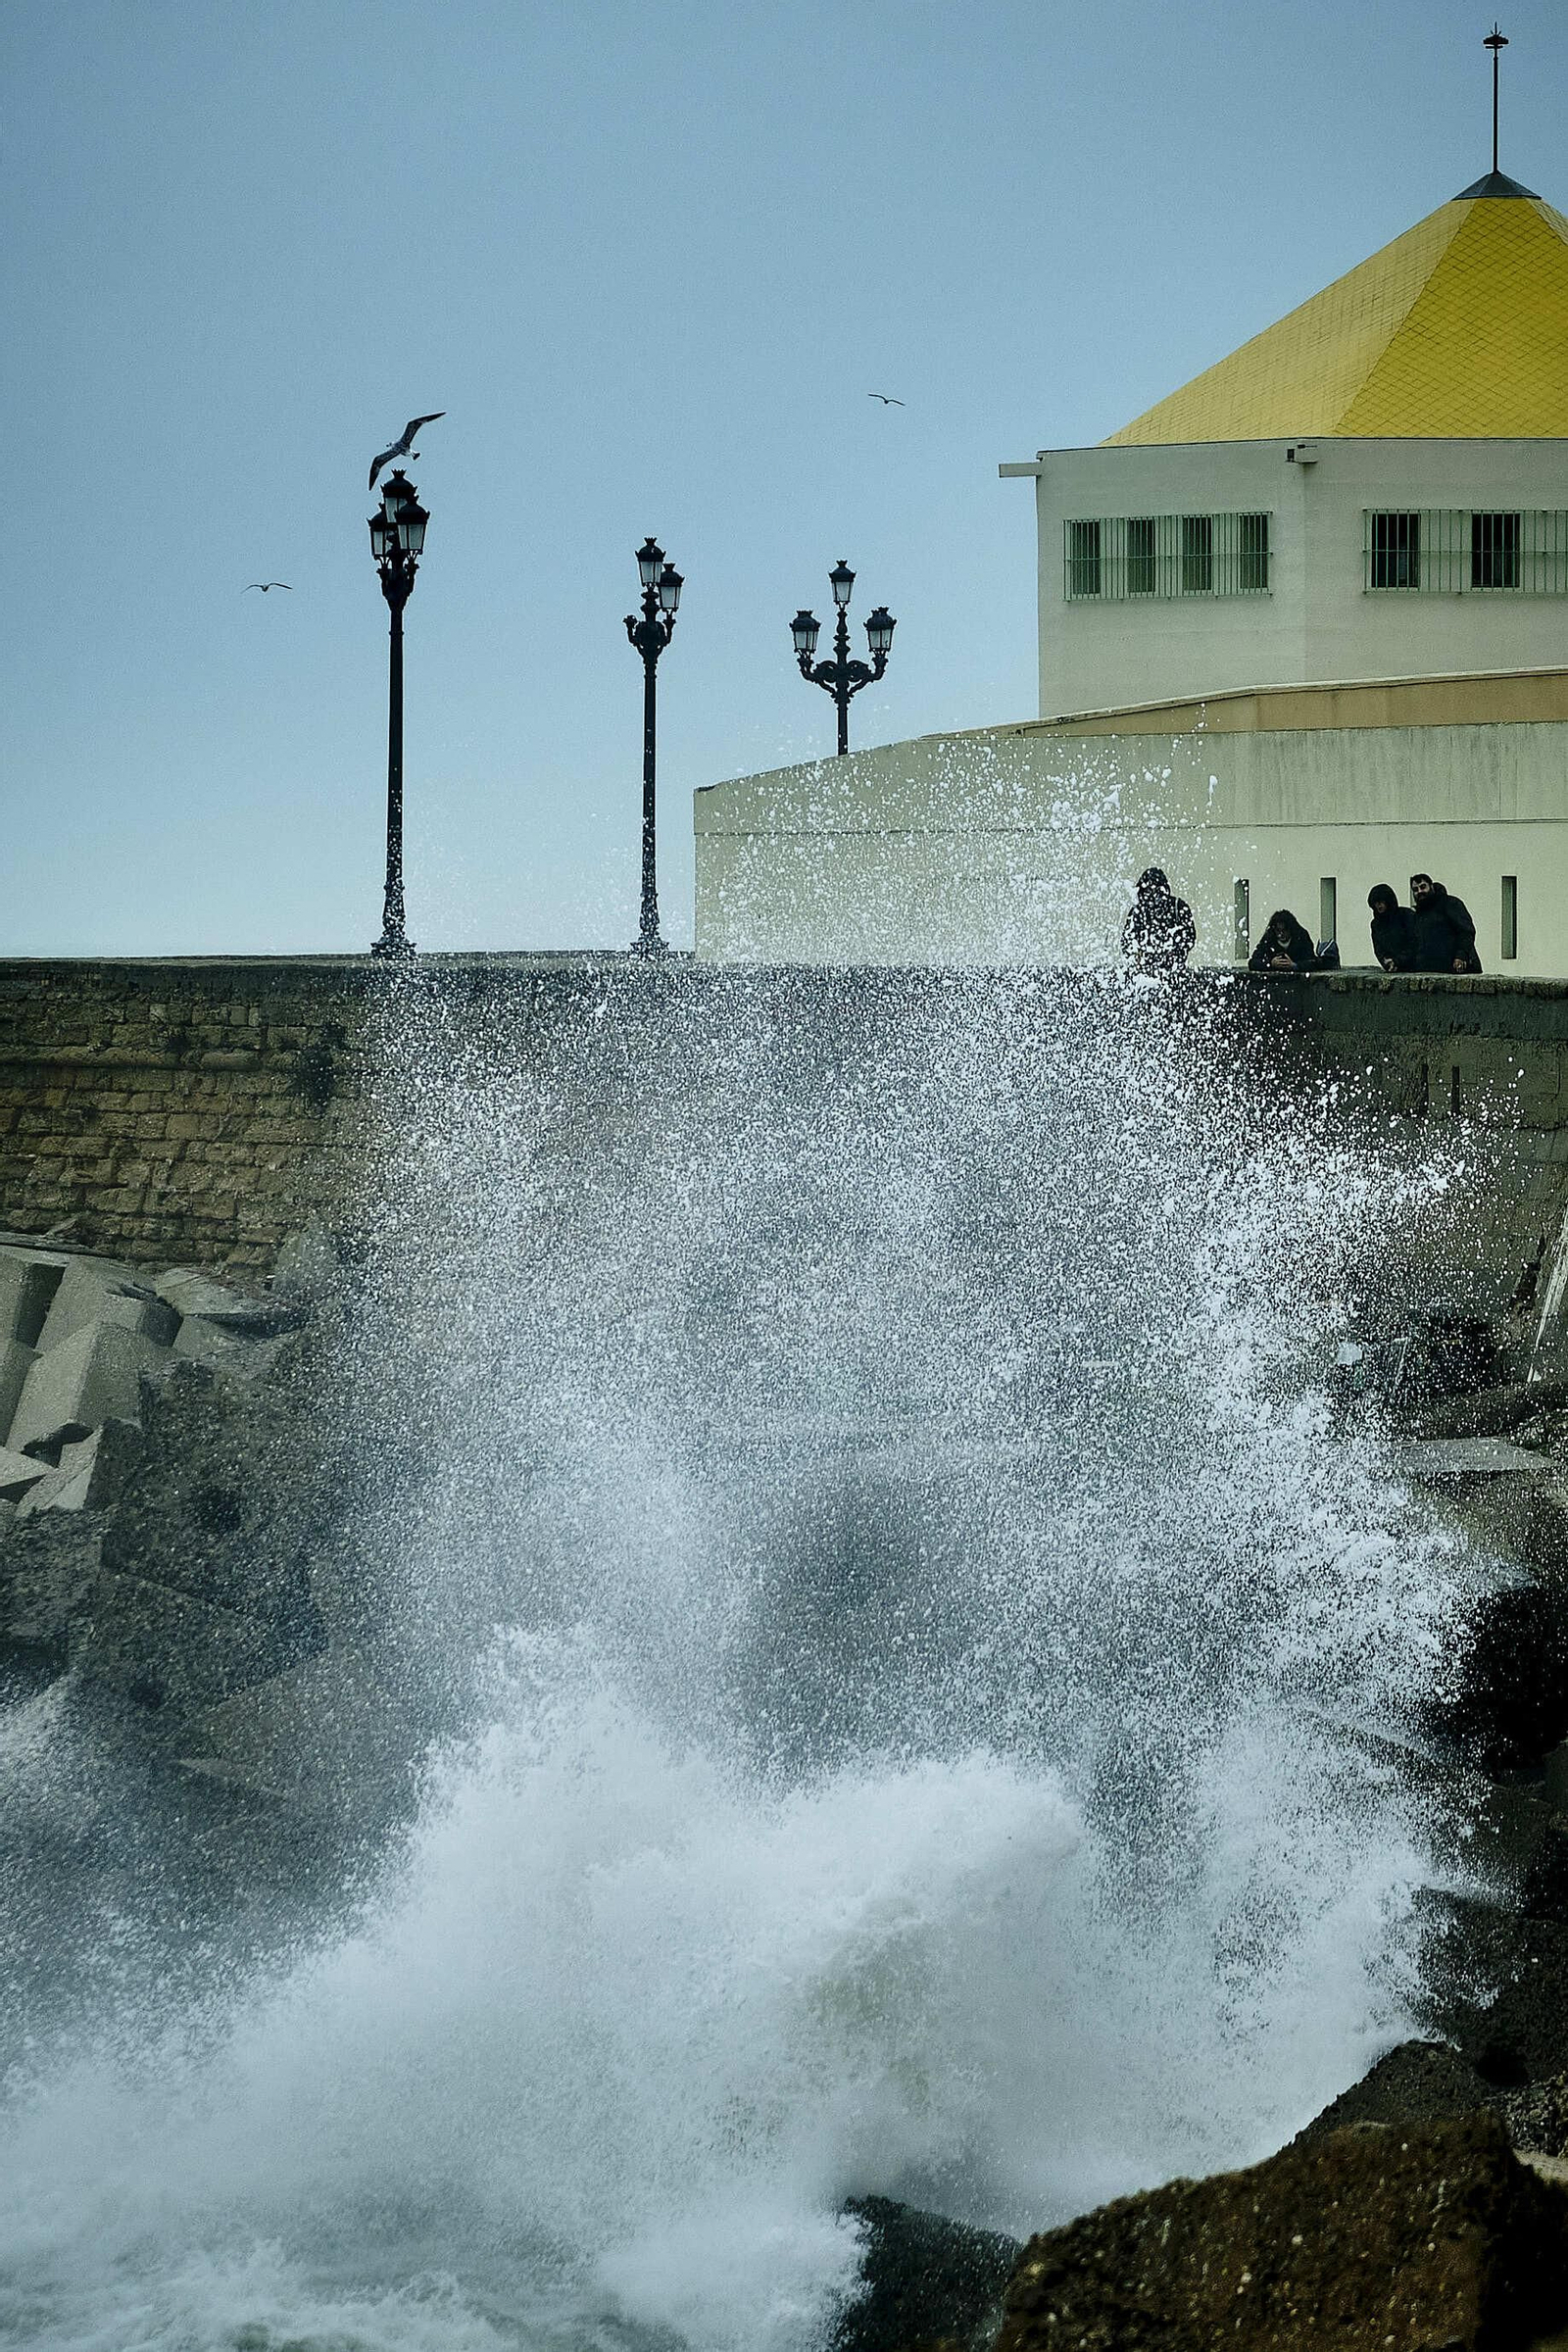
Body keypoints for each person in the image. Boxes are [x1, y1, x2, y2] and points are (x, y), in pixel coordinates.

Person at [1121, 867, 1196, 975]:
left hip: (1173, 971)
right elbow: (1126, 941)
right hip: (1144, 973)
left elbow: (1189, 938)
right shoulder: (1138, 911)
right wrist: (1136, 955)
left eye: (1156, 890)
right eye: (1148, 890)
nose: (1152, 895)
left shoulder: (1177, 907)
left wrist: (1175, 953)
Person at [1408, 872, 1482, 974]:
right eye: (1415, 890)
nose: (1420, 891)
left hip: (1458, 970)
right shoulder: (1419, 915)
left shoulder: (1450, 904)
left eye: (1423, 887)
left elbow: (1466, 931)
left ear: (1431, 886)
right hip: (1433, 972)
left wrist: (1461, 956)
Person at [1249, 909, 1319, 972]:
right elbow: (1253, 962)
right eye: (1278, 931)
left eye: (1284, 930)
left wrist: (1295, 965)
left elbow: (1312, 962)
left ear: (1291, 929)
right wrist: (1270, 963)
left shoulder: (1301, 936)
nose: (1281, 934)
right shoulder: (1269, 938)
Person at [1367, 883, 1416, 972]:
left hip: (1414, 967)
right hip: (1392, 969)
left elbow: (1414, 943)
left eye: (1381, 901)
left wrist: (1398, 961)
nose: (1379, 905)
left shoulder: (1406, 915)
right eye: (1376, 902)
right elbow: (1378, 949)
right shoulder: (1376, 924)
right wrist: (1386, 963)